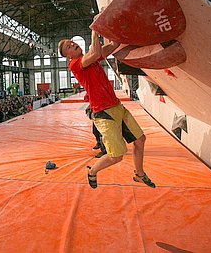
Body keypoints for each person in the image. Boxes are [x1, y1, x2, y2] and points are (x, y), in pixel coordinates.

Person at [58, 30, 155, 189]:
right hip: (104, 113)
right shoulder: (74, 64)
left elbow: (113, 45)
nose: (73, 44)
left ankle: (139, 173)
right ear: (68, 55)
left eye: (72, 42)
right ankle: (93, 171)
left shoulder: (91, 58)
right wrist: (95, 30)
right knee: (116, 156)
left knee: (140, 140)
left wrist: (110, 29)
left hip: (116, 107)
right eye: (69, 46)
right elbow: (96, 52)